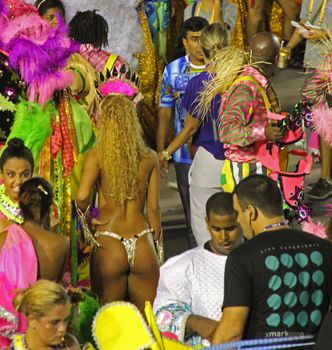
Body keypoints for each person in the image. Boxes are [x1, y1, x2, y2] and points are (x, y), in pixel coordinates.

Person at [212, 175, 332, 344]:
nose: (238, 220)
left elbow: (231, 334)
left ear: (251, 212)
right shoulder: (324, 248)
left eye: (238, 213)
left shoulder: (242, 257)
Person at [76, 94, 161, 314]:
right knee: (148, 321)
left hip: (109, 241)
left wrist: (88, 216)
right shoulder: (149, 157)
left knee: (109, 322)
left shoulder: (96, 156)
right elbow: (153, 210)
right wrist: (158, 246)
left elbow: (83, 196)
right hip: (142, 241)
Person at [159, 23, 228, 245]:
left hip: (209, 163)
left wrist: (164, 154)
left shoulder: (199, 83)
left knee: (202, 226)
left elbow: (190, 128)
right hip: (241, 161)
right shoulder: (242, 75)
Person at [153, 192, 243, 347]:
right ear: (207, 223)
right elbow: (161, 316)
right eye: (216, 229)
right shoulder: (182, 267)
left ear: (241, 220)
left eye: (230, 228)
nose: (224, 237)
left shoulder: (260, 259)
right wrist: (196, 322)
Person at [200, 32, 283, 193]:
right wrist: (264, 131)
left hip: (258, 167)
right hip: (246, 172)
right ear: (275, 59)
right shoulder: (245, 89)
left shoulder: (256, 82)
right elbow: (227, 131)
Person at [157, 16, 209, 248]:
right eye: (195, 40)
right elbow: (165, 113)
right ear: (185, 42)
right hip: (183, 156)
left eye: (204, 38)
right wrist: (162, 152)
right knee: (193, 220)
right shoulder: (172, 71)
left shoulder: (222, 69)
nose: (200, 45)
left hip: (215, 153)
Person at [285, 0, 332, 200]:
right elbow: (304, 23)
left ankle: (325, 178)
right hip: (314, 65)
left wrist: (323, 35)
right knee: (321, 121)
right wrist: (288, 47)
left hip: (329, 65)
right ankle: (325, 177)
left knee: (325, 121)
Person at [0, 139, 35, 347]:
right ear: (2, 175)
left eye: (25, 174)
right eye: (11, 174)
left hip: (32, 298)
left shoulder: (42, 206)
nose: (18, 181)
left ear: (33, 172)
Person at [19, 177, 69, 281]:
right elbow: (56, 285)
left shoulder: (6, 237)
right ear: (49, 207)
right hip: (48, 297)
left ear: (20, 205)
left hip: (14, 297)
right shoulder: (63, 243)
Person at [9, 280, 80, 349]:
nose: (62, 329)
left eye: (65, 320)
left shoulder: (70, 345)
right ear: (32, 320)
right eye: (55, 322)